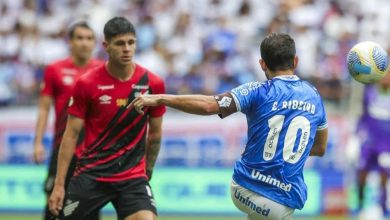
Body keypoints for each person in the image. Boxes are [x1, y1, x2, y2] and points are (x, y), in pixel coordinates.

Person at [129, 33, 328, 220]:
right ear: (295, 61)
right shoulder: (314, 96)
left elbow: (208, 105)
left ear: (262, 64)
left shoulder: (256, 90)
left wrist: (162, 98)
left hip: (245, 187)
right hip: (278, 197)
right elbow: (319, 148)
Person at [48, 16, 166, 220]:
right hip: (91, 175)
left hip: (132, 177)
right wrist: (59, 185)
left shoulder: (152, 83)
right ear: (106, 46)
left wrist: (148, 168)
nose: (127, 48)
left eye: (131, 42)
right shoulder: (87, 83)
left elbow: (155, 135)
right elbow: (71, 135)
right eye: (120, 43)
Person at [33, 21, 104, 220]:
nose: (84, 43)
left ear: (95, 43)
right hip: (62, 147)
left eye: (89, 39)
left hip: (93, 151)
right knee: (54, 204)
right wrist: (38, 142)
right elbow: (44, 108)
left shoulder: (102, 70)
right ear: (70, 42)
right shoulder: (54, 69)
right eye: (79, 38)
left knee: (90, 207)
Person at [356, 71, 390, 215]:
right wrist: (356, 134)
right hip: (369, 141)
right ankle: (360, 205)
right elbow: (363, 115)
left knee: (384, 176)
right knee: (362, 173)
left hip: (386, 144)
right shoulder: (369, 92)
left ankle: (383, 208)